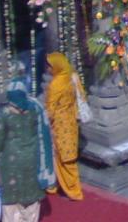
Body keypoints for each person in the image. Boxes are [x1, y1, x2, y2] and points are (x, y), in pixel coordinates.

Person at [0, 81, 55, 222]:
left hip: (12, 162)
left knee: (11, 199)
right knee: (31, 197)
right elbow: (44, 134)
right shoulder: (35, 109)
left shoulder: (5, 114)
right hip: (32, 160)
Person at [43, 53, 84, 201]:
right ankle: (61, 185)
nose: (48, 69)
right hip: (71, 121)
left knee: (64, 158)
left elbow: (50, 109)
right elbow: (81, 96)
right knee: (66, 155)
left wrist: (44, 121)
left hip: (59, 125)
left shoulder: (55, 85)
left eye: (50, 66)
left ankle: (74, 190)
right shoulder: (72, 76)